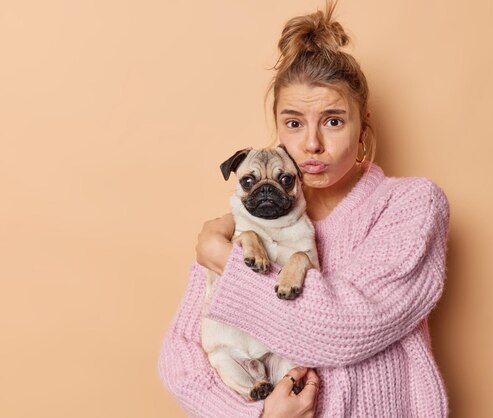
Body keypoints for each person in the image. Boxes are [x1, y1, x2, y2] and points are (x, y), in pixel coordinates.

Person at [158, 1, 450, 417]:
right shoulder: (250, 220)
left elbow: (343, 330)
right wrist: (257, 415)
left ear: (363, 127)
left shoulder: (411, 206)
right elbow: (182, 352)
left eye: (333, 121)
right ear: (277, 126)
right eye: (294, 123)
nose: (311, 144)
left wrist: (226, 259)